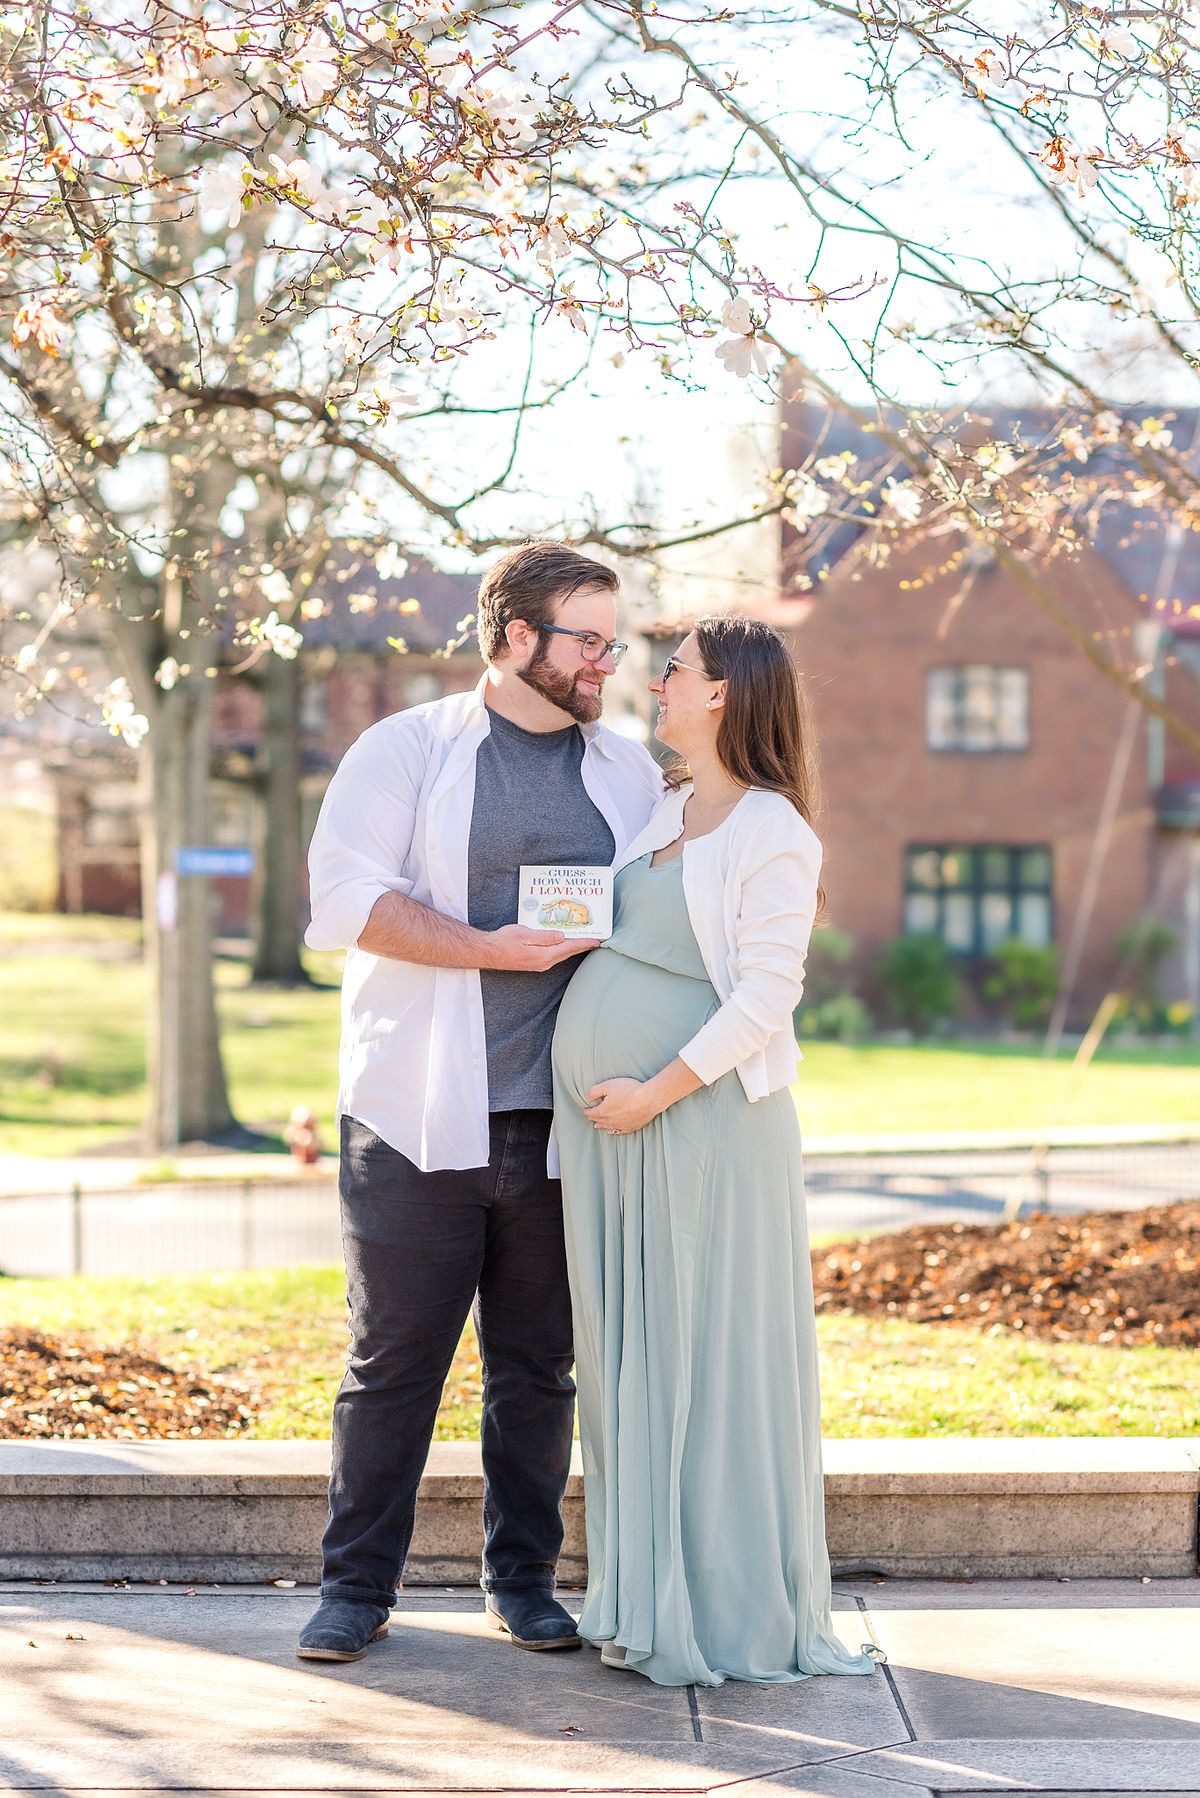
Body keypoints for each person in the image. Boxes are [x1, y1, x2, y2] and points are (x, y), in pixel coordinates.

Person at [297, 541, 663, 1663]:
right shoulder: (404, 749)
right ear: (517, 638)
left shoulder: (631, 770)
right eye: (588, 639)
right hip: (416, 1113)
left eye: (615, 640)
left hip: (564, 1123)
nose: (608, 659)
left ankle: (524, 1583)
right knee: (394, 1359)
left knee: (538, 1364)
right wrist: (492, 952)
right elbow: (346, 900)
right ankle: (354, 1590)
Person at [551, 615, 879, 1688]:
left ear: (726, 692)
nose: (657, 681)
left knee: (703, 1356)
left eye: (675, 668)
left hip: (699, 1126)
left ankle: (720, 1609)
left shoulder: (772, 828)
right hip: (619, 1136)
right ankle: (641, 1594)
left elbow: (767, 995)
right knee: (629, 1363)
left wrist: (653, 1089)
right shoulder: (663, 804)